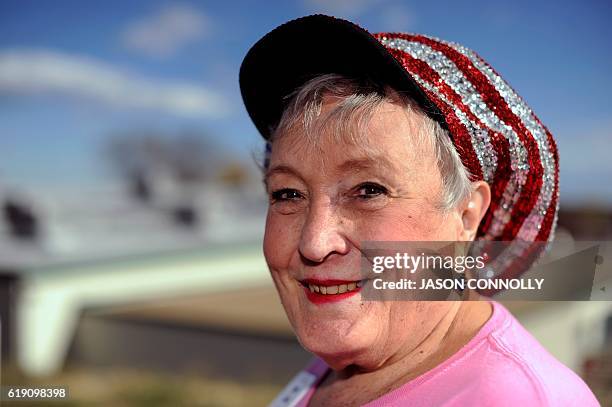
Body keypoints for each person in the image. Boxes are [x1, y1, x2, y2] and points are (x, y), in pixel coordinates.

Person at [239, 14, 599, 406]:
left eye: (369, 190)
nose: (315, 242)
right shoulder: (337, 368)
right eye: (288, 194)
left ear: (466, 214)